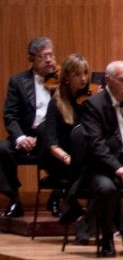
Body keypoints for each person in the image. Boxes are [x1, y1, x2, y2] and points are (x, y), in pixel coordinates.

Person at [77, 61, 123, 257]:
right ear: (108, 80)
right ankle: (108, 239)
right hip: (100, 167)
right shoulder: (93, 106)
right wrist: (117, 167)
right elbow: (97, 145)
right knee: (107, 188)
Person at [0, 37, 58, 217]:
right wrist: (20, 138)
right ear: (31, 60)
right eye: (43, 56)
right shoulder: (17, 82)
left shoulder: (62, 80)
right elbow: (10, 115)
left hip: (52, 137)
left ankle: (57, 196)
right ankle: (14, 198)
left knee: (67, 146)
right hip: (26, 136)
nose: (49, 60)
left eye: (51, 55)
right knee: (2, 149)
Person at [39, 54, 91, 217]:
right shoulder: (56, 103)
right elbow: (52, 144)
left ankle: (70, 201)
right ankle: (72, 202)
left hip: (80, 157)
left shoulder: (87, 100)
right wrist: (69, 159)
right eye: (77, 74)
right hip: (58, 159)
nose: (83, 78)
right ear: (67, 76)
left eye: (85, 73)